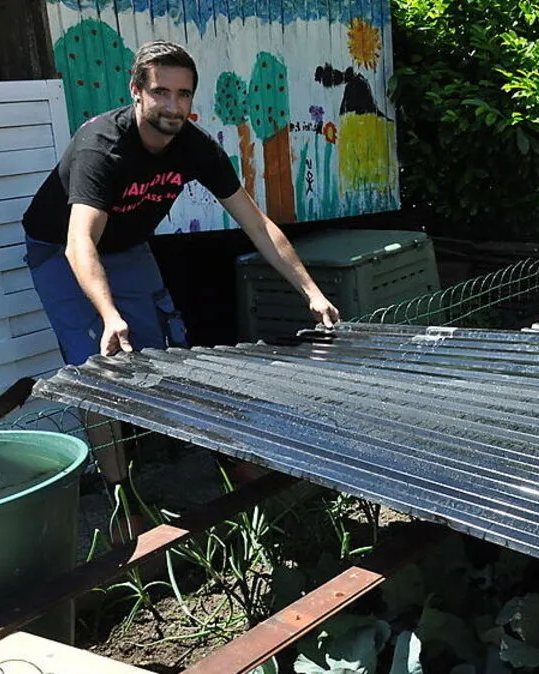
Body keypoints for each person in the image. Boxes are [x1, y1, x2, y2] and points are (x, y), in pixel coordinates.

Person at [21, 40, 340, 521]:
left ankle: (215, 461)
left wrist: (311, 293)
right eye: (161, 92)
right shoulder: (101, 147)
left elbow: (256, 224)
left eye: (184, 94)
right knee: (97, 367)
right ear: (137, 91)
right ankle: (120, 501)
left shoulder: (194, 147)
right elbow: (79, 244)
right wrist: (109, 316)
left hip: (126, 247)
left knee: (165, 351)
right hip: (60, 250)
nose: (173, 106)